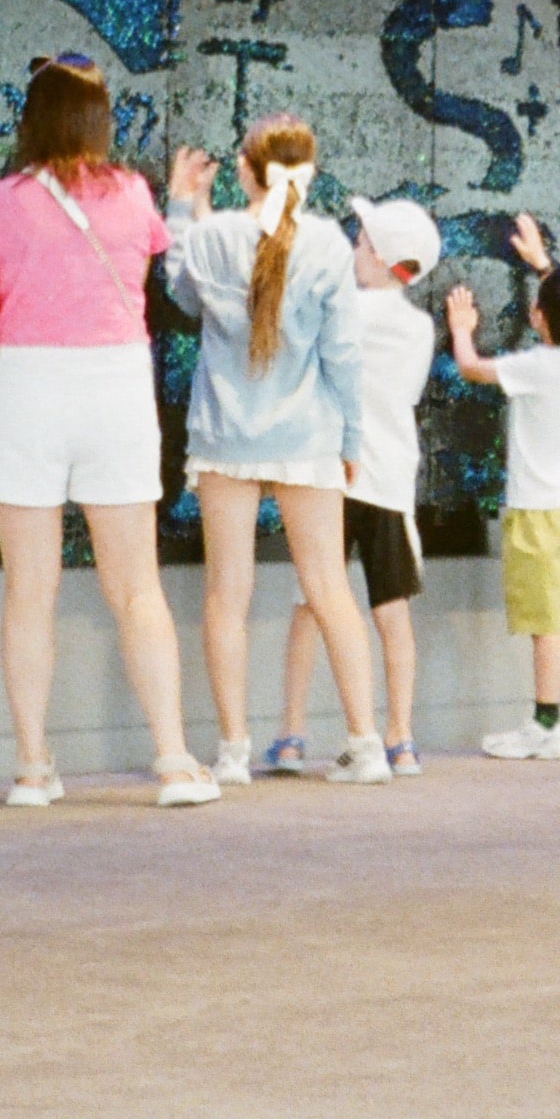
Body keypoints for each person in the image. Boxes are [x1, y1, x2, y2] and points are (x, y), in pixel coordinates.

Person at [0, 55, 215, 809]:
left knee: (30, 592)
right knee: (136, 588)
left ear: (30, 118)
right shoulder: (132, 195)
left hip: (27, 390)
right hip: (115, 389)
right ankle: (173, 762)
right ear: (100, 121)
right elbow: (140, 277)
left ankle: (33, 770)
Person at [163, 116, 385, 786]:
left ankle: (232, 752)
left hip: (226, 436)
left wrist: (183, 205)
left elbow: (181, 292)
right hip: (308, 437)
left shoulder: (210, 237)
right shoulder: (328, 244)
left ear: (244, 170)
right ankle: (366, 746)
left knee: (226, 594)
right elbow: (344, 354)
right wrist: (352, 438)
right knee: (330, 589)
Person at [267, 199, 442, 779]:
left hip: (332, 475)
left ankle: (291, 735)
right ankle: (401, 738)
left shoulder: (344, 308)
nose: (353, 248)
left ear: (382, 257)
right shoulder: (421, 327)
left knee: (310, 604)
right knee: (392, 612)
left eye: (362, 242)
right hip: (389, 480)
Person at [440, 215, 560, 761]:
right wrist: (543, 265)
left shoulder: (536, 366)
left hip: (537, 514)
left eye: (538, 305)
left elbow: (471, 368)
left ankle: (545, 726)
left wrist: (461, 327)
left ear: (540, 320)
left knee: (545, 627)